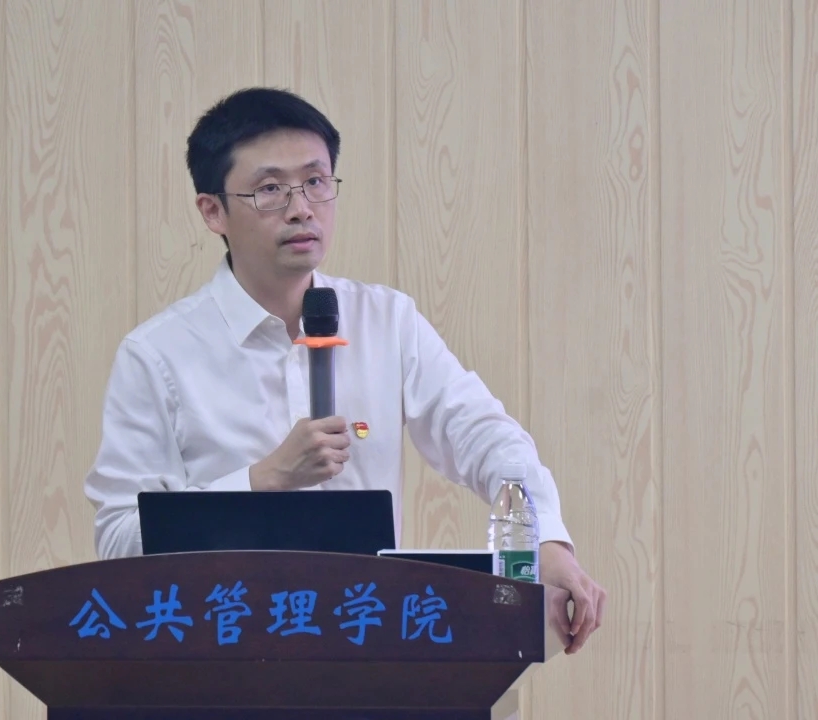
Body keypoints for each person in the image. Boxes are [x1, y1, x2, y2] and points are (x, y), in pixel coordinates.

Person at [84, 87, 606, 654]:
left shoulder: (387, 321)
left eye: (316, 181)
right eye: (269, 189)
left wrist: (546, 540)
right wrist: (261, 481)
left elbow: (484, 435)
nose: (302, 207)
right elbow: (120, 539)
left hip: (367, 645)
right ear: (213, 211)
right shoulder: (157, 355)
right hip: (219, 652)